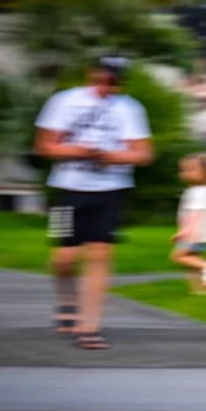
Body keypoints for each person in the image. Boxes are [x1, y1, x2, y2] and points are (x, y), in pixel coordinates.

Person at [34, 55, 154, 350]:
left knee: (100, 254)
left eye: (114, 81)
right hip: (65, 189)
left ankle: (89, 328)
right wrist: (77, 151)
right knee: (64, 259)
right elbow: (44, 146)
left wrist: (112, 157)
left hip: (111, 189)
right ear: (91, 74)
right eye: (103, 79)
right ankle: (66, 299)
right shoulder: (64, 101)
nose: (108, 85)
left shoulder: (130, 109)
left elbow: (143, 154)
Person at [171, 152, 206, 294]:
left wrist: (184, 232)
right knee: (193, 261)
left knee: (178, 257)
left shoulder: (199, 192)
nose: (183, 173)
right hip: (201, 233)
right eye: (183, 170)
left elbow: (197, 214)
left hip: (194, 233)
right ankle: (201, 289)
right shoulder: (202, 190)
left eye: (190, 170)